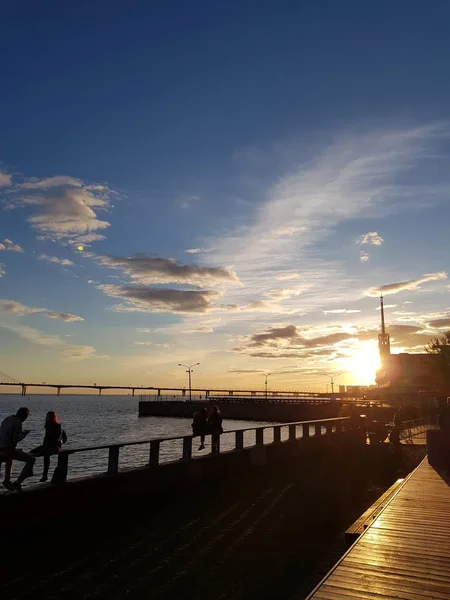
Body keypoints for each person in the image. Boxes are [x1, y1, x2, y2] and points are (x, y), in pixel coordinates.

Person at [0, 407, 35, 492]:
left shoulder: (7, 419)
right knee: (31, 459)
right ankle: (18, 482)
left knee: (11, 456)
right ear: (24, 416)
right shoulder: (18, 423)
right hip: (7, 450)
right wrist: (23, 435)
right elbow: (15, 439)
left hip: (1, 448)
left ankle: (7, 479)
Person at [31, 411, 67, 482]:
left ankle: (45, 475)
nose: (47, 419)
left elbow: (56, 439)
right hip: (47, 446)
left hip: (55, 446)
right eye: (47, 417)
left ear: (53, 418)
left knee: (46, 454)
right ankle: (30, 470)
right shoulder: (47, 426)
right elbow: (45, 439)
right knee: (31, 452)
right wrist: (43, 447)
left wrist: (45, 447)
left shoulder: (57, 426)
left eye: (49, 417)